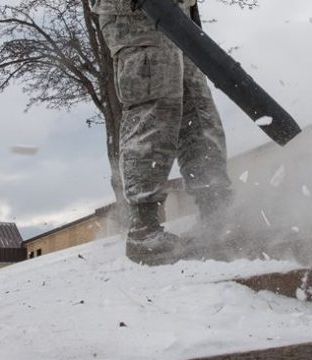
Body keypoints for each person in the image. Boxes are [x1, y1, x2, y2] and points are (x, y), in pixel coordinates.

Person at [92, 0, 233, 265]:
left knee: (197, 110)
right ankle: (144, 230)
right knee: (155, 107)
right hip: (135, 13)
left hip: (179, 12)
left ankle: (216, 212)